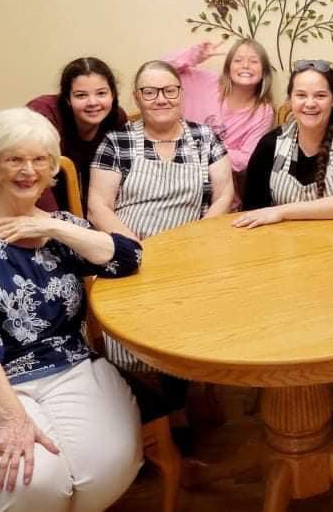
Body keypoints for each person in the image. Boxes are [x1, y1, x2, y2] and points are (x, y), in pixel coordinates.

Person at [0, 108, 143, 511]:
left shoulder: (58, 226)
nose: (28, 171)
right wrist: (12, 417)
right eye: (14, 159)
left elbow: (126, 258)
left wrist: (53, 227)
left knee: (103, 471)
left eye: (40, 159)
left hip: (68, 365)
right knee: (35, 484)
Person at [87, 59, 233, 452]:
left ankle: (176, 409)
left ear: (182, 94)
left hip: (193, 253)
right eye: (149, 92)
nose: (161, 99)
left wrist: (196, 239)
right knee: (136, 336)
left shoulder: (205, 138)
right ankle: (156, 417)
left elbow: (223, 196)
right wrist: (133, 246)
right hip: (132, 254)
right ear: (137, 98)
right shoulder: (118, 141)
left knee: (190, 328)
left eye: (169, 90)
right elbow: (98, 207)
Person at [234, 59, 333, 229]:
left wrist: (281, 212)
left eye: (320, 96)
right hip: (285, 247)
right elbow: (254, 209)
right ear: (290, 100)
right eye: (301, 95)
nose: (310, 104)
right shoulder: (271, 144)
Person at [165, 39, 274, 204]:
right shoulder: (205, 81)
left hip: (219, 188)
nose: (245, 65)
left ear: (264, 71)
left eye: (253, 61)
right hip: (176, 174)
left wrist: (201, 148)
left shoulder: (263, 111)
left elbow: (245, 159)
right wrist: (194, 55)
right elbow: (160, 72)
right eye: (238, 60)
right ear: (228, 67)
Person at [27, 57, 127, 213]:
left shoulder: (116, 119)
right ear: (67, 99)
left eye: (101, 93)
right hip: (31, 202)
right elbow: (32, 174)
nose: (93, 102)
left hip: (84, 212)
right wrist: (59, 226)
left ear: (113, 94)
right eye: (81, 95)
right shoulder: (43, 114)